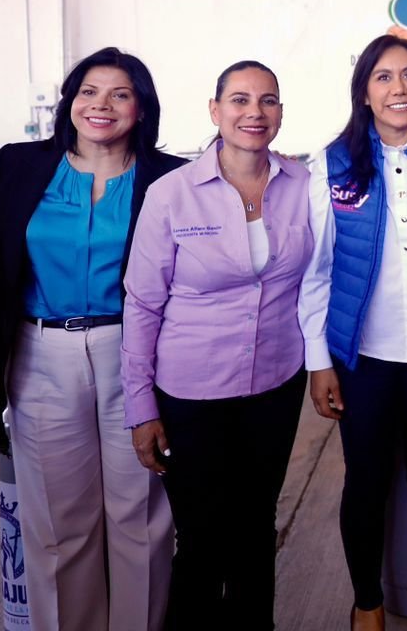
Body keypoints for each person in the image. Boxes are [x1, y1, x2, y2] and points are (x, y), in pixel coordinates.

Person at [0, 48, 181, 631]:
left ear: (142, 107)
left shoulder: (170, 177)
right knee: (56, 523)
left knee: (142, 514)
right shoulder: (24, 166)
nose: (101, 105)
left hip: (138, 354)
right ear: (70, 102)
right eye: (88, 91)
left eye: (119, 94)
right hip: (40, 353)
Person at [123, 61, 314, 629]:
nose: (254, 112)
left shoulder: (304, 186)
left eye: (268, 100)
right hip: (190, 393)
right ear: (215, 111)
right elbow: (141, 304)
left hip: (276, 385)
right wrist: (141, 407)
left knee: (258, 525)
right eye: (239, 100)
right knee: (203, 536)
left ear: (280, 112)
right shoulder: (172, 194)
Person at [300, 35, 407, 631]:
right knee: (366, 483)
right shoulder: (332, 164)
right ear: (365, 92)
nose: (398, 89)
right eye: (383, 78)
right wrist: (319, 361)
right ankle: (366, 603)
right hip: (362, 359)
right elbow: (316, 271)